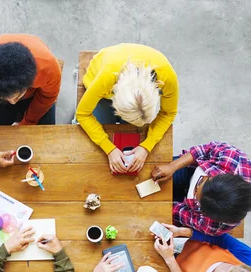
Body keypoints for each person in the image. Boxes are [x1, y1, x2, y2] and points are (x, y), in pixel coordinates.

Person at [0, 34, 62, 167]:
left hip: (35, 94)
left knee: (47, 144)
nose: (13, 103)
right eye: (7, 99)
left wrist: (28, 121)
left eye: (17, 97)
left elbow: (47, 96)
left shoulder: (47, 67)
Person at [76, 44, 178, 174]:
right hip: (100, 84)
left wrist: (147, 146)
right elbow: (83, 114)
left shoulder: (168, 78)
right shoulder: (106, 78)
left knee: (130, 132)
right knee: (102, 127)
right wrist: (109, 149)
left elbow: (168, 113)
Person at [151, 141, 251, 236]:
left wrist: (159, 205)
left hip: (182, 204)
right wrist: (172, 167)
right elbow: (204, 150)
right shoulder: (232, 159)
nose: (195, 190)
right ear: (219, 176)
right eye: (202, 182)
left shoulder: (215, 226)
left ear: (205, 212)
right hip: (188, 169)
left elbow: (180, 212)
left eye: (197, 200)